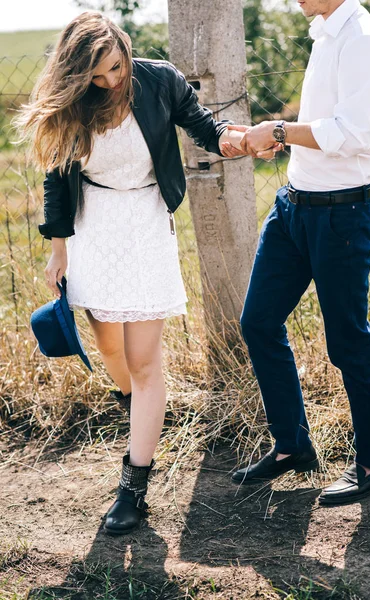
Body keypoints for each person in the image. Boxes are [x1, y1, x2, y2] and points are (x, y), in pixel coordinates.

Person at [17, 11, 247, 535]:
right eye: (97, 76)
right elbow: (57, 178)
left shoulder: (159, 78)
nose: (111, 81)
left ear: (124, 48)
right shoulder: (76, 102)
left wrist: (233, 140)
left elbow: (204, 125)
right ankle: (136, 409)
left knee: (145, 362)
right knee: (110, 349)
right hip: (92, 226)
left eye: (115, 68)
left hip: (145, 223)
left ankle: (134, 485)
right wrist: (59, 250)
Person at [227, 0, 370, 504]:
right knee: (257, 322)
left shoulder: (364, 39)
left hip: (339, 216)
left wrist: (278, 131)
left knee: (347, 341)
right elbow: (324, 124)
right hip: (293, 208)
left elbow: (358, 133)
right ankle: (293, 445)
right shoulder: (324, 32)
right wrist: (283, 139)